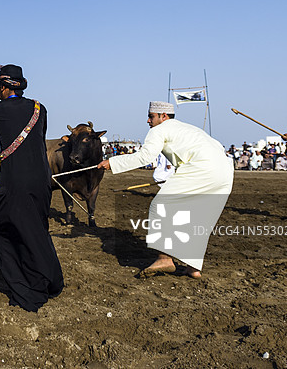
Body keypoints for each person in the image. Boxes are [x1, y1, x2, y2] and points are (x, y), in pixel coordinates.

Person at [98, 101, 234, 279]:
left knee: (160, 205)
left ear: (164, 116)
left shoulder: (159, 130)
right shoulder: (189, 129)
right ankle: (193, 267)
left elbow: (145, 156)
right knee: (199, 217)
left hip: (203, 169)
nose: (148, 121)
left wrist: (112, 162)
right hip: (225, 172)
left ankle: (164, 259)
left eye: (151, 116)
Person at [0, 64, 63, 311]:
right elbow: (37, 139)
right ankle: (51, 280)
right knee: (36, 228)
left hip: (14, 179)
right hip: (41, 180)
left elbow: (3, 137)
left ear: (3, 86)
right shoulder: (40, 109)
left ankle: (29, 289)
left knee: (2, 230)